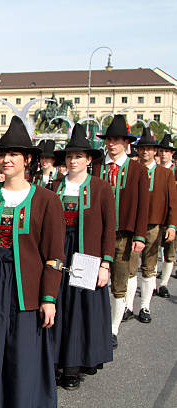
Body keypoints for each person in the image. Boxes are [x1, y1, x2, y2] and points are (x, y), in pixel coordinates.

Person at [0, 115, 65, 408]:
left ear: (27, 160)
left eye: (13, 154)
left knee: (21, 355)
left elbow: (54, 255)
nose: (6, 160)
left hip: (26, 292)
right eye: (3, 154)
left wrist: (49, 298)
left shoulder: (46, 200)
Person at [50, 124, 115, 390]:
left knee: (78, 311)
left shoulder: (100, 188)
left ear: (89, 160)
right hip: (59, 252)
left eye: (78, 156)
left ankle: (73, 366)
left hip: (86, 255)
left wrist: (105, 264)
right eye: (69, 156)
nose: (73, 160)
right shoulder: (54, 186)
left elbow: (109, 227)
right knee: (56, 304)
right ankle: (53, 361)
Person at [91, 114, 149, 349]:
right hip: (96, 232)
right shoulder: (96, 167)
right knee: (92, 280)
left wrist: (140, 235)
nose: (112, 144)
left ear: (126, 143)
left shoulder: (137, 170)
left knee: (119, 281)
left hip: (123, 233)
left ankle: (113, 329)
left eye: (117, 140)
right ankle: (95, 324)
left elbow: (143, 205)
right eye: (109, 140)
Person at [123, 128, 176, 322]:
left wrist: (172, 225)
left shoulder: (165, 173)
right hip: (134, 223)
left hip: (154, 224)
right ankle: (127, 306)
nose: (145, 152)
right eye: (142, 148)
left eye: (149, 149)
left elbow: (172, 202)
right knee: (130, 266)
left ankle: (144, 306)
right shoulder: (131, 170)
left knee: (149, 265)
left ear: (155, 151)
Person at [156, 134, 177, 296]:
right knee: (153, 250)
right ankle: (153, 277)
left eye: (167, 151)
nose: (163, 154)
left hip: (171, 215)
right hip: (156, 215)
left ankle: (163, 283)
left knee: (169, 250)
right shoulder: (153, 170)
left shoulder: (174, 171)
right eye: (161, 151)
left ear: (171, 154)